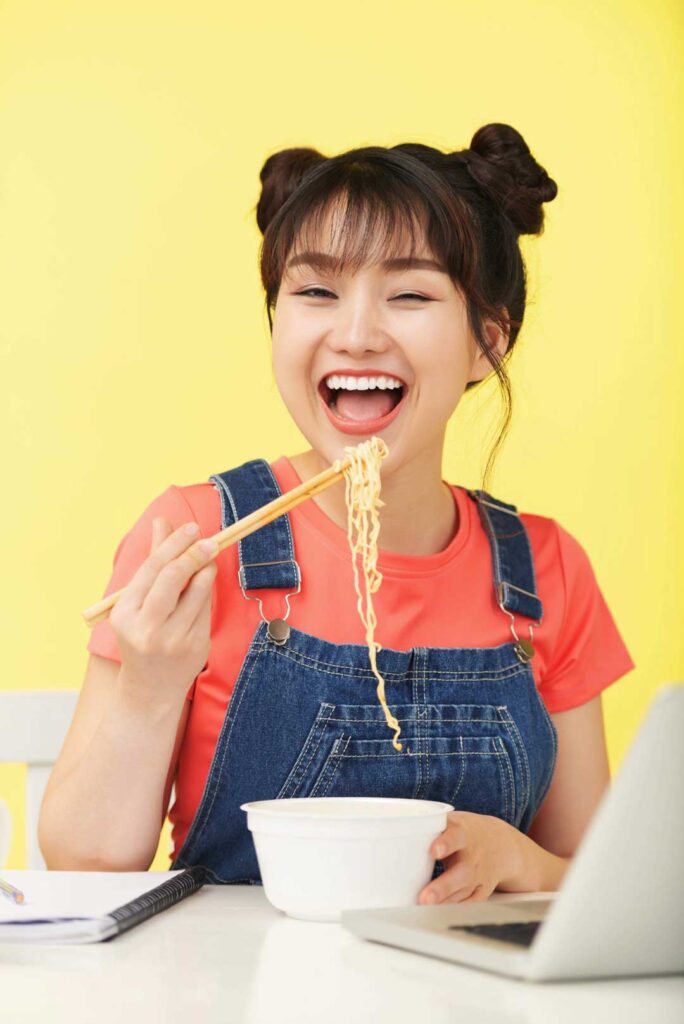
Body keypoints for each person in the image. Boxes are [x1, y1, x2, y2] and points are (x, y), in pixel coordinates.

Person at [39, 123, 635, 904]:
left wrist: (520, 861)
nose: (356, 336)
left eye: (410, 295)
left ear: (487, 342)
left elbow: (595, 881)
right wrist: (148, 689)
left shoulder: (546, 569)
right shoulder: (194, 538)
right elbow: (82, 867)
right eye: (316, 292)